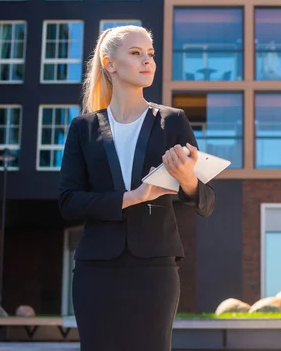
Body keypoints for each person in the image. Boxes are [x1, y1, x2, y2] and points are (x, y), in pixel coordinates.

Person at [58, 25, 216, 350]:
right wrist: (132, 198)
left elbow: (206, 202)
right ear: (110, 64)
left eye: (150, 54)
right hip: (96, 269)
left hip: (155, 269)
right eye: (136, 53)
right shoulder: (83, 128)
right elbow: (69, 202)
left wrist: (186, 177)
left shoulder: (173, 121)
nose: (148, 61)